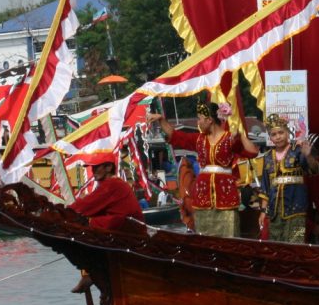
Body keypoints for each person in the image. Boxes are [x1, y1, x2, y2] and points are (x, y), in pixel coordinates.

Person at [148, 102, 258, 238]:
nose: (198, 122)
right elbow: (175, 136)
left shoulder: (229, 139)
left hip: (225, 196)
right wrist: (161, 119)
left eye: (199, 118)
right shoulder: (199, 139)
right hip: (202, 197)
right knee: (203, 236)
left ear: (209, 120)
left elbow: (252, 152)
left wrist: (240, 135)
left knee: (228, 237)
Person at [67, 152, 144, 294]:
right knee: (86, 222)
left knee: (84, 224)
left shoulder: (112, 184)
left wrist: (60, 212)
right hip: (126, 232)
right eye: (93, 167)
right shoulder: (112, 184)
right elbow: (89, 206)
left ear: (109, 167)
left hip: (126, 231)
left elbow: (83, 207)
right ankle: (90, 271)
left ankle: (90, 272)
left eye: (97, 167)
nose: (93, 171)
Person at [255, 114, 319, 243]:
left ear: (287, 132)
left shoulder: (297, 151)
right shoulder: (267, 157)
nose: (278, 137)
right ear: (270, 137)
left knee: (296, 242)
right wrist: (263, 211)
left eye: (281, 132)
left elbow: (314, 170)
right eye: (274, 134)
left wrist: (308, 156)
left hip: (297, 209)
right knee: (275, 243)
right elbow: (265, 187)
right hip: (274, 211)